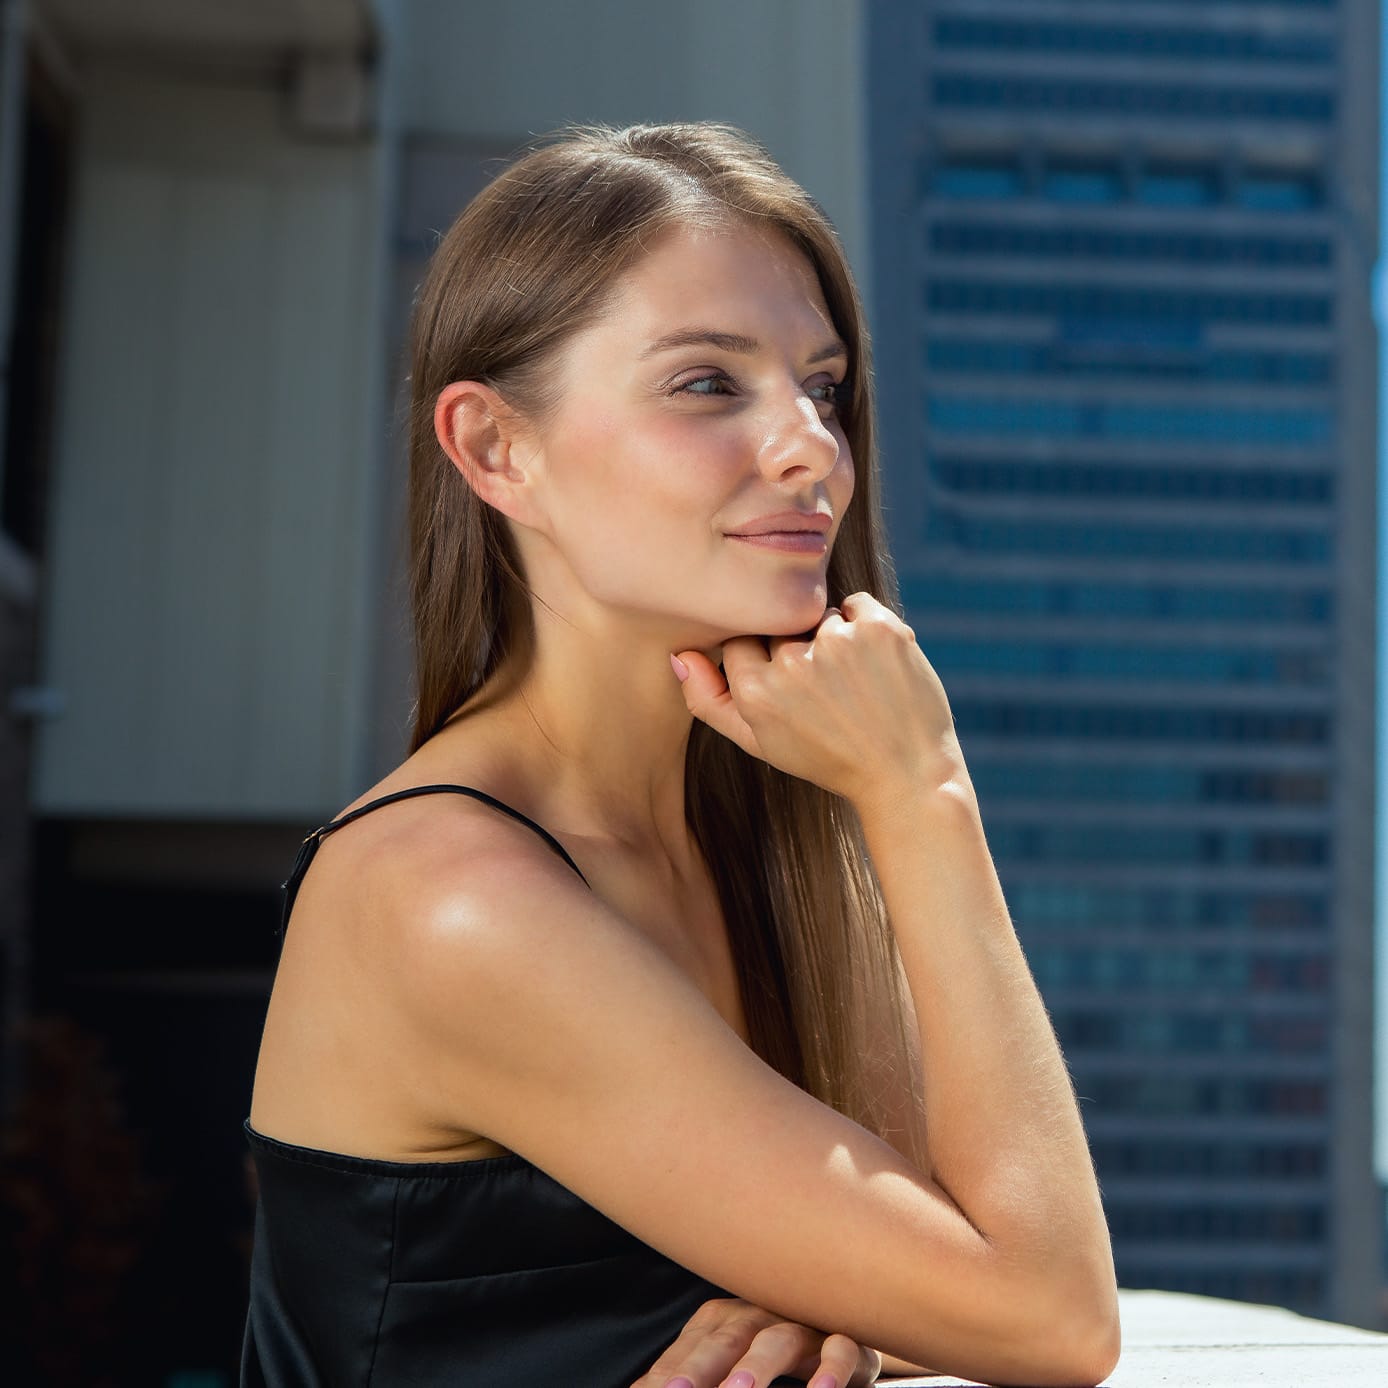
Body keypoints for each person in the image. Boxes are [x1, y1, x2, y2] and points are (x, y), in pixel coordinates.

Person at [242, 121, 1120, 1388]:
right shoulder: (451, 898)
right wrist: (922, 792)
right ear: (497, 449)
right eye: (708, 382)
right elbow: (1044, 1313)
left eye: (822, 388)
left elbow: (958, 1251)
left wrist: (859, 1301)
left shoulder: (762, 838)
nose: (810, 445)